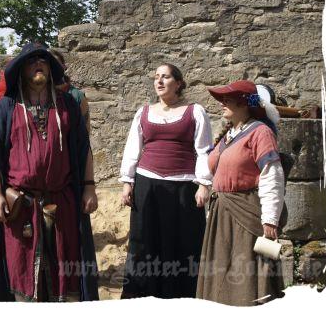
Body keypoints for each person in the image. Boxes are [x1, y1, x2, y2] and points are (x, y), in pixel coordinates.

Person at [0, 42, 99, 302]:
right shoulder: (6, 106)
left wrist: (89, 187)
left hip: (62, 202)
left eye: (43, 60)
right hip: (21, 206)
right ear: (20, 70)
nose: (38, 64)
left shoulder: (67, 104)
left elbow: (84, 149)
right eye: (31, 61)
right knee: (22, 269)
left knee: (66, 268)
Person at [119, 63, 213, 299]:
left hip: (183, 187)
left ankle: (181, 296)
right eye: (156, 77)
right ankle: (142, 297)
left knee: (183, 242)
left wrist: (204, 184)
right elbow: (132, 148)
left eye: (166, 77)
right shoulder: (143, 112)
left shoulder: (195, 112)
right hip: (147, 184)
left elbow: (204, 150)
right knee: (144, 242)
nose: (159, 81)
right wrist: (127, 181)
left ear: (178, 83)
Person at [196, 79, 285, 306]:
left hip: (246, 214)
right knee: (220, 273)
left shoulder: (261, 133)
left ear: (244, 103)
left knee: (245, 273)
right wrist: (205, 186)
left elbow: (272, 176)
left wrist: (270, 219)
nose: (222, 103)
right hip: (222, 215)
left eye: (228, 99)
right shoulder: (230, 134)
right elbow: (213, 169)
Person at [48, 48, 91, 134]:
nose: (53, 67)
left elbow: (85, 132)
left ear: (64, 66)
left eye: (56, 63)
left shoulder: (77, 96)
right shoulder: (37, 95)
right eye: (49, 64)